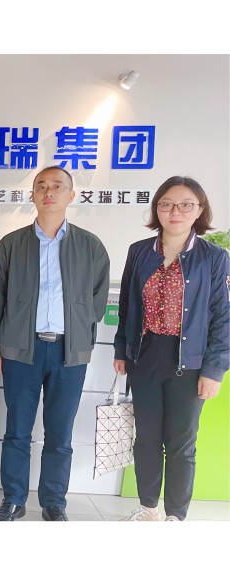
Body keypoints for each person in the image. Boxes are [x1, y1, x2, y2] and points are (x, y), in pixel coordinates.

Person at [0, 165, 110, 521]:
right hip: (20, 351)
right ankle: (13, 499)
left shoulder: (90, 246)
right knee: (17, 431)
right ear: (33, 195)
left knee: (59, 433)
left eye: (57, 186)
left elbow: (97, 300)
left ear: (71, 195)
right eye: (41, 186)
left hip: (69, 353)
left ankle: (54, 503)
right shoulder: (11, 244)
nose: (48, 192)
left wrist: (80, 330)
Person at [113, 176, 229, 521]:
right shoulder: (139, 251)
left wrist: (214, 369)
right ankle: (148, 508)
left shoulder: (214, 257)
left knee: (181, 442)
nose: (175, 211)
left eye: (185, 205)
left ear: (199, 210)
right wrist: (121, 350)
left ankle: (175, 515)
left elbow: (223, 316)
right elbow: (127, 307)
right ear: (157, 209)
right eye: (166, 204)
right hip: (145, 355)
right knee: (146, 437)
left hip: (190, 361)